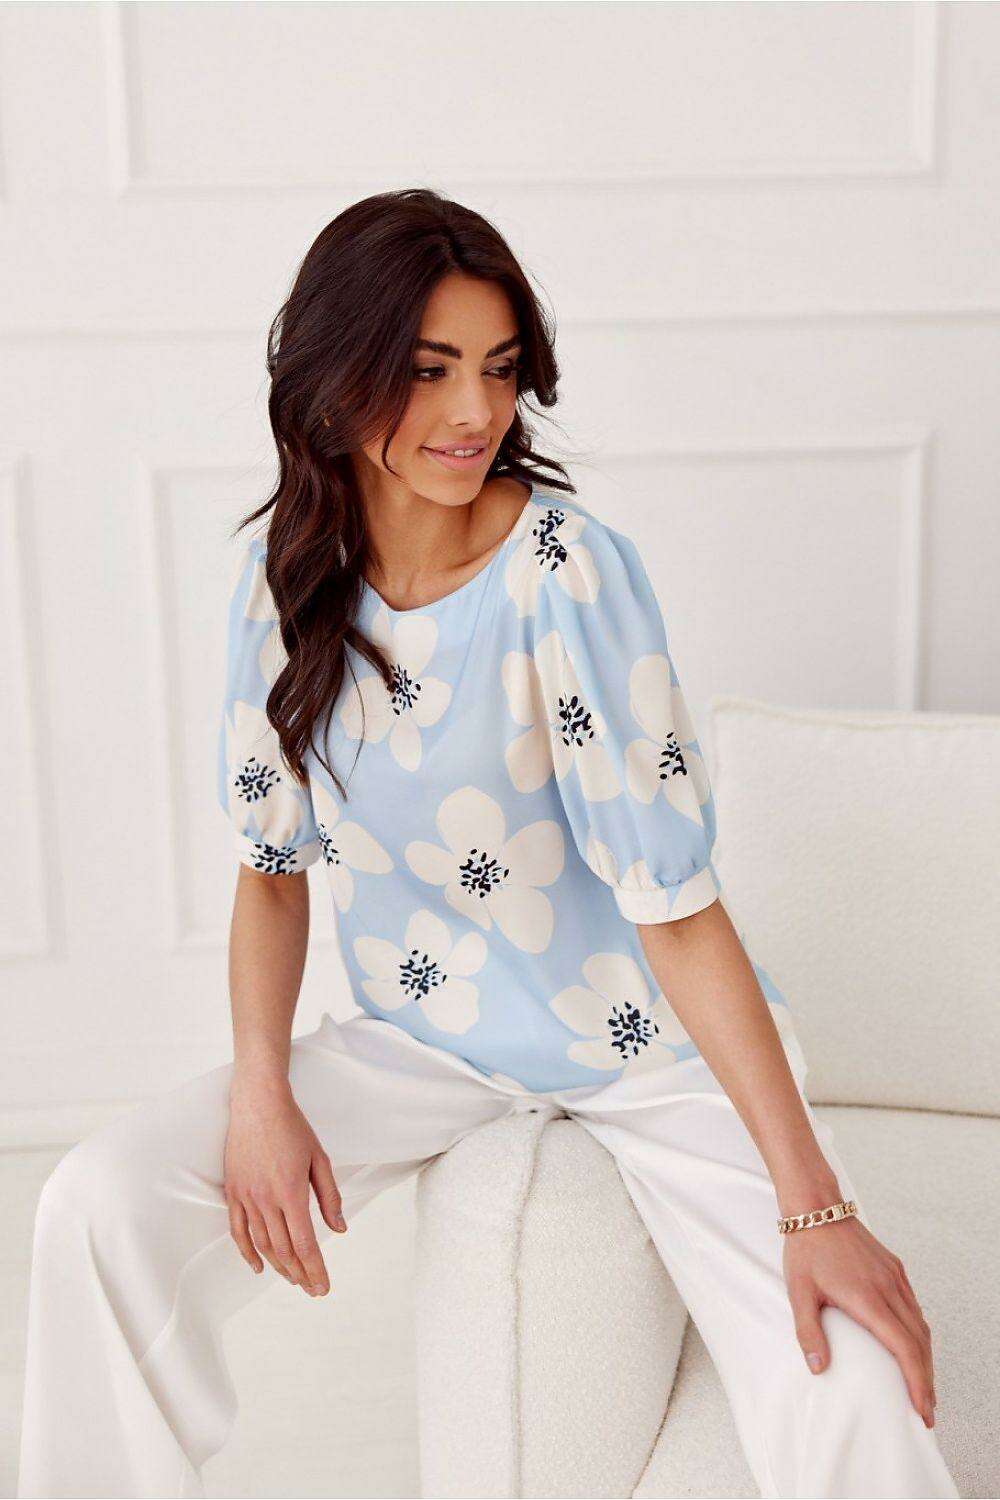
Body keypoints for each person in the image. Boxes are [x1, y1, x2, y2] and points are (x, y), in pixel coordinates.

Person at [17, 188, 959, 1499]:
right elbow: (271, 873)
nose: (477, 412)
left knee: (849, 1376)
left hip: (646, 1049)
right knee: (97, 1205)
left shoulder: (565, 572)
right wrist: (260, 1093)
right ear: (337, 380)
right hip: (426, 1039)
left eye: (502, 370)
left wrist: (816, 1206)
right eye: (430, 370)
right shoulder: (287, 582)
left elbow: (675, 904)